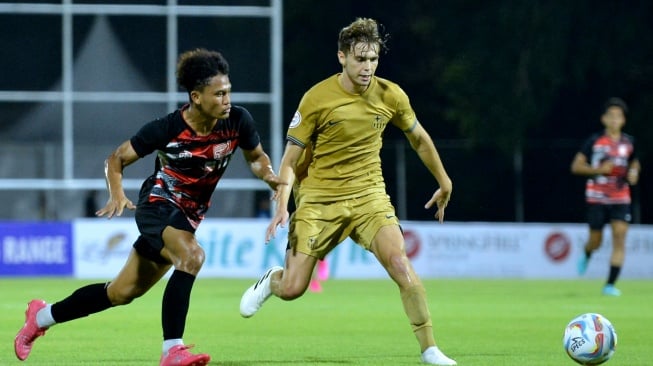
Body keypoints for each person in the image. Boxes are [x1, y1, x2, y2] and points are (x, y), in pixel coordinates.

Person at [14, 48, 284, 365]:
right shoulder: (167, 128)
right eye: (219, 93)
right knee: (192, 255)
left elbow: (256, 158)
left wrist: (269, 176)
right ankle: (173, 350)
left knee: (120, 292)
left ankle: (40, 317)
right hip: (157, 205)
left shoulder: (238, 121)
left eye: (228, 92)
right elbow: (116, 159)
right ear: (196, 96)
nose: (227, 99)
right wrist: (116, 192)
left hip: (187, 218)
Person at [239, 18, 456, 365]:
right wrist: (281, 203)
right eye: (360, 60)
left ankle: (430, 349)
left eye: (373, 59)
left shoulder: (391, 95)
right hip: (319, 200)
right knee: (294, 288)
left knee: (401, 265)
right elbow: (291, 160)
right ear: (342, 57)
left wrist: (444, 180)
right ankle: (271, 281)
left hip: (370, 197)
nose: (368, 67)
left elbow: (418, 138)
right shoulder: (316, 98)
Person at [571, 97, 640, 296]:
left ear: (623, 120)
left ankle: (609, 284)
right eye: (611, 116)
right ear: (604, 119)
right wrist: (599, 170)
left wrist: (634, 173)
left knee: (619, 236)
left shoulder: (629, 142)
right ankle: (588, 252)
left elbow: (634, 163)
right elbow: (576, 166)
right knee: (596, 240)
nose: (614, 120)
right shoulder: (594, 141)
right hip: (597, 198)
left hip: (620, 197)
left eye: (618, 116)